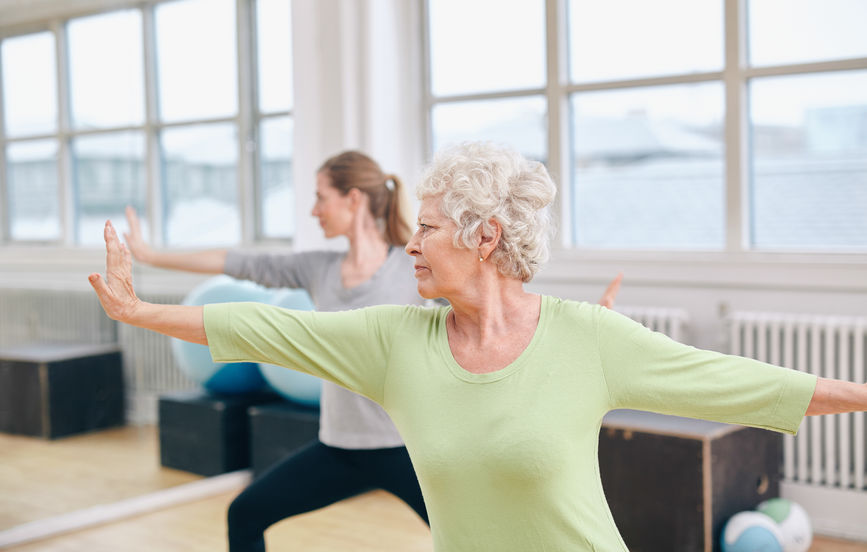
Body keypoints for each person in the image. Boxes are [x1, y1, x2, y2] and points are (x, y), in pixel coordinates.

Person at [89, 141, 865, 551]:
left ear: (484, 235)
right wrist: (141, 309)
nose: (412, 246)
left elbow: (734, 381)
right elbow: (270, 328)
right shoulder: (395, 342)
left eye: (426, 229)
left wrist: (860, 394)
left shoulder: (583, 338)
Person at [121, 149, 622, 550]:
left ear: (353, 199)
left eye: (321, 197)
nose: (314, 210)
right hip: (338, 444)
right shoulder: (316, 268)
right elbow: (238, 263)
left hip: (409, 449)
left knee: (479, 535)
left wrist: (584, 328)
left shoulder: (416, 266)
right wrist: (149, 255)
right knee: (245, 512)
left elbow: (493, 301)